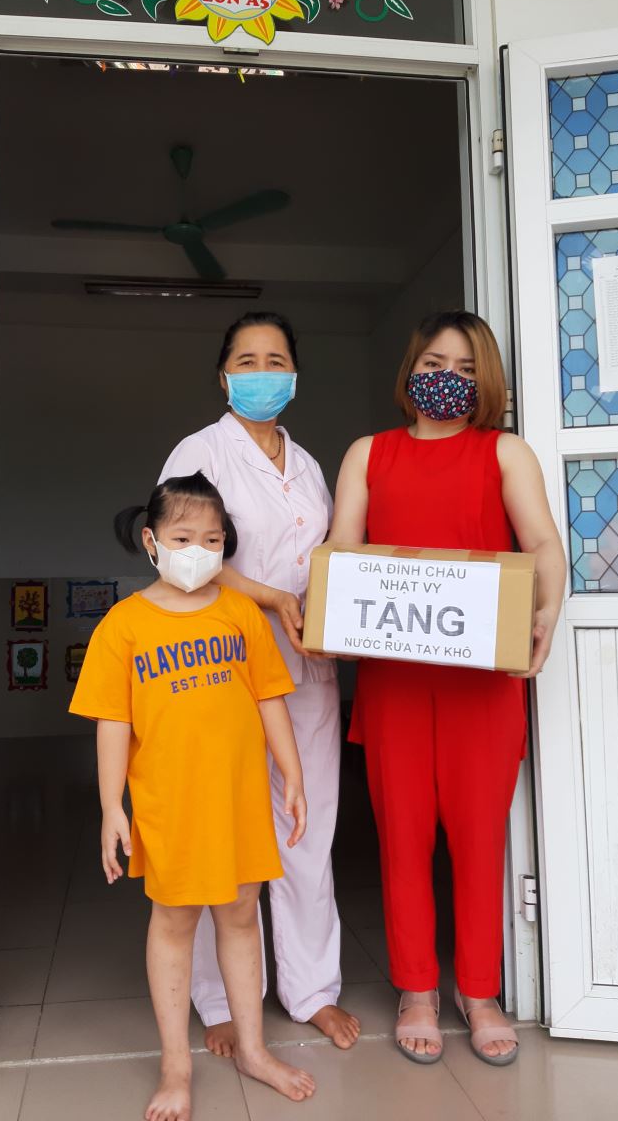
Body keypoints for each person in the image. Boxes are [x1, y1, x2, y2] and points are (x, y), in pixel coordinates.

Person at [329, 310, 566, 1067]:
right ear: (410, 370)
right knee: (402, 837)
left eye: (466, 369)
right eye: (435, 363)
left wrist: (547, 611)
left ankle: (481, 991)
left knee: (478, 838)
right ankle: (416, 989)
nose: (448, 379)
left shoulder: (505, 452)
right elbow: (342, 549)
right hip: (394, 680)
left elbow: (542, 543)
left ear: (486, 380)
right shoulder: (369, 453)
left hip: (483, 684)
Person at [70, 472, 316, 1121]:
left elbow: (269, 699)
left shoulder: (240, 613)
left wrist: (292, 775)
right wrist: (111, 807)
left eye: (212, 539)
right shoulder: (124, 625)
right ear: (151, 542)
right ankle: (175, 1066)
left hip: (238, 801)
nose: (199, 551)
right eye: (183, 538)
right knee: (175, 924)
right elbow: (112, 723)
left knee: (241, 915)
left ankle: (254, 1050)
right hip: (168, 807)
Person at [160, 313, 360, 1054]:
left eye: (276, 359)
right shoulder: (201, 451)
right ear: (223, 376)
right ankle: (218, 1000)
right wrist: (273, 599)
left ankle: (312, 991)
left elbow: (330, 560)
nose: (262, 371)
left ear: (295, 375)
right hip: (223, 661)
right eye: (247, 360)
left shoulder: (306, 465)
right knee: (224, 826)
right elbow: (186, 551)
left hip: (305, 667)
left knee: (308, 825)